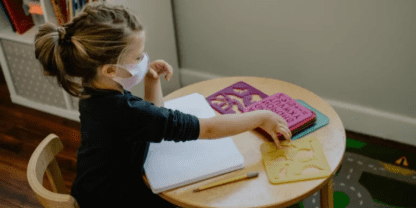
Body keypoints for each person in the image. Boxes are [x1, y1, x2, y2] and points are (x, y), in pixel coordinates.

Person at [34, 2, 291, 207]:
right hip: (116, 200)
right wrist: (260, 117)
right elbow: (208, 129)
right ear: (110, 70)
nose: (144, 59)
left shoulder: (93, 94)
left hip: (94, 190)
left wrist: (150, 80)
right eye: (137, 57)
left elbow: (151, 120)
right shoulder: (126, 111)